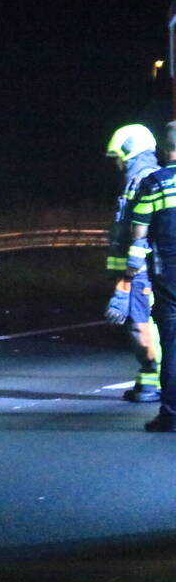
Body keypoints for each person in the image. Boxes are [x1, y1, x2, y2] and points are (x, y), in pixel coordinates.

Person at [104, 124, 162, 402]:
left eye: (118, 156)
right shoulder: (137, 180)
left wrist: (127, 276)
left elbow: (141, 230)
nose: (116, 163)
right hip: (136, 269)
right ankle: (149, 379)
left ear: (130, 152)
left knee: (142, 325)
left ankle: (155, 380)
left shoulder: (144, 180)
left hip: (140, 270)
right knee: (145, 324)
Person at [128, 121, 176, 431]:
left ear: (162, 149)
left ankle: (171, 415)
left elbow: (139, 232)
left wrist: (131, 269)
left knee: (171, 345)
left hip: (169, 274)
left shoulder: (154, 182)